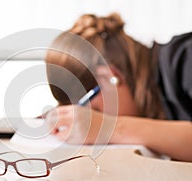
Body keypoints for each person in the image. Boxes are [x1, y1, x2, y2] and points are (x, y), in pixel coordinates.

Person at [44, 13, 192, 162]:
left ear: (109, 77)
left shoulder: (187, 57)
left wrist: (110, 128)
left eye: (96, 113)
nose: (96, 120)